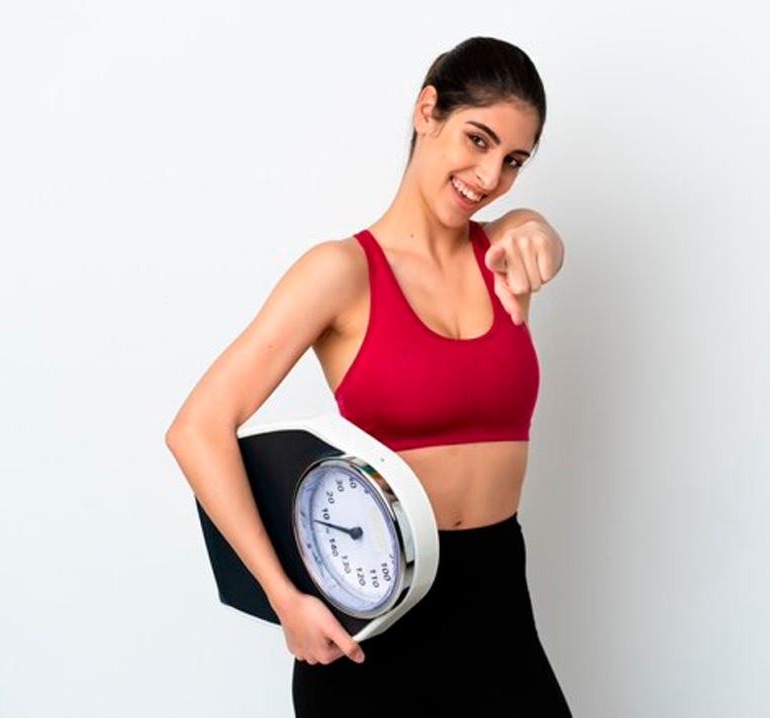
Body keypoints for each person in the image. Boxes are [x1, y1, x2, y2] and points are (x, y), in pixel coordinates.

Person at [166, 36, 573, 717]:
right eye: (477, 140)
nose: (488, 176)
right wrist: (282, 597)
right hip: (371, 626)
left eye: (512, 161)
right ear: (426, 110)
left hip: (499, 614)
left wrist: (543, 229)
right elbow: (197, 428)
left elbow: (529, 231)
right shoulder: (341, 272)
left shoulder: (505, 256)